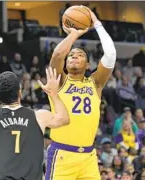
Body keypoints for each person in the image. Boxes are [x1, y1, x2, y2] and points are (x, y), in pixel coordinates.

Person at [46, 7, 116, 180]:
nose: (74, 56)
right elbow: (57, 56)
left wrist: (97, 23)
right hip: (62, 154)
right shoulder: (60, 80)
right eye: (71, 55)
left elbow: (111, 54)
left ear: (88, 65)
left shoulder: (95, 83)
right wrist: (73, 34)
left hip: (88, 157)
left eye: (80, 55)